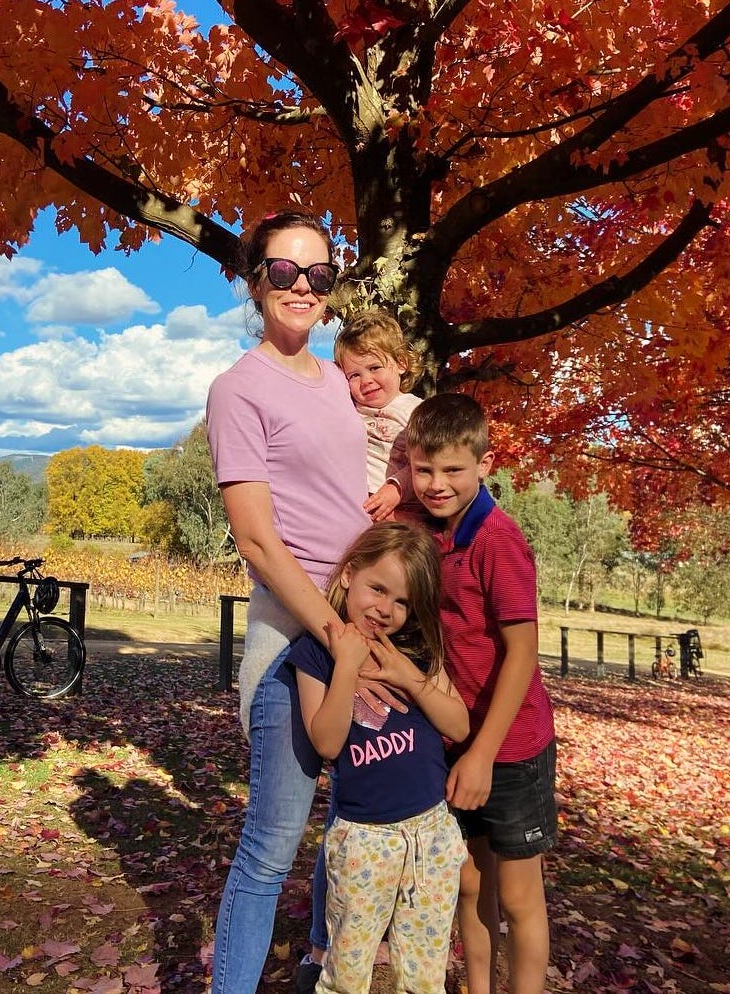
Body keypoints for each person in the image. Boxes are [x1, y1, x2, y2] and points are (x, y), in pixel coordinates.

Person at [206, 210, 376, 994]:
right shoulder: (238, 390)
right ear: (254, 282)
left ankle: (316, 964)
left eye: (317, 274)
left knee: (352, 823)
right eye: (283, 271)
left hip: (359, 628)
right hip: (295, 635)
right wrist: (334, 631)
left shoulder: (340, 382)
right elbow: (257, 540)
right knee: (271, 847)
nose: (301, 286)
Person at [403, 394, 558, 994]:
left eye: (452, 470)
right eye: (423, 469)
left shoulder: (498, 540)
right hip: (451, 735)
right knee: (468, 885)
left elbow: (522, 652)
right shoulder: (420, 530)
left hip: (510, 745)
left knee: (517, 896)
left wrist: (483, 755)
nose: (436, 484)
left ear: (484, 465)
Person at [288, 522, 469, 994]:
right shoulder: (316, 652)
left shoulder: (418, 649)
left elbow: (458, 725)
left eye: (403, 601)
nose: (387, 609)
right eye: (378, 589)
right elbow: (327, 743)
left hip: (431, 834)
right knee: (346, 973)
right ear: (349, 574)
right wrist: (347, 665)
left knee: (425, 975)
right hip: (364, 841)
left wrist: (411, 678)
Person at [334, 310, 426, 523]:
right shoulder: (350, 409)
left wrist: (396, 489)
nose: (366, 380)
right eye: (354, 375)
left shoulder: (416, 411)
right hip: (358, 507)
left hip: (405, 504)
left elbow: (429, 461)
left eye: (374, 368)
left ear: (401, 364)